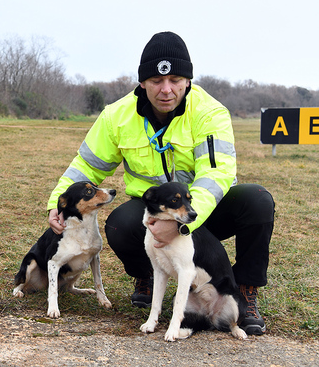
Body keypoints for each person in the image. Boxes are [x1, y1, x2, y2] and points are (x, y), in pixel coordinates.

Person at [46, 31, 274, 336]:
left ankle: (243, 291)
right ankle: (147, 276)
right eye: (156, 81)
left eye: (175, 80)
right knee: (119, 224)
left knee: (258, 200)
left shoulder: (210, 112)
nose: (166, 90)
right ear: (142, 82)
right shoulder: (116, 116)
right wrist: (56, 203)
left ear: (188, 81)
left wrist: (182, 225)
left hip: (203, 209)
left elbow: (216, 176)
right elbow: (86, 165)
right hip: (151, 213)